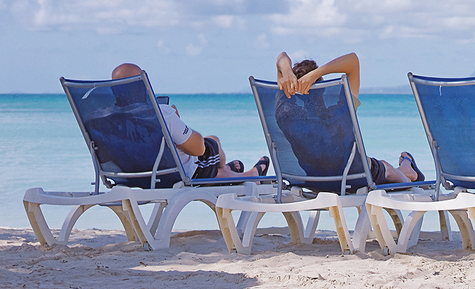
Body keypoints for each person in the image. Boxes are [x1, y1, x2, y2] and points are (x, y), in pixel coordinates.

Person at [275, 52, 424, 184]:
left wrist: (287, 73)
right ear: (324, 86)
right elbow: (353, 61)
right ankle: (407, 169)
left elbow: (281, 58)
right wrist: (316, 74)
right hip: (356, 176)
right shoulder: (341, 111)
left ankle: (406, 168)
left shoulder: (286, 116)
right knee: (388, 170)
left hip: (314, 180)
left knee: (381, 166)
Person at [111, 63, 269, 179]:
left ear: (112, 89)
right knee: (213, 142)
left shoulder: (98, 119)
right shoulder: (162, 114)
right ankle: (250, 176)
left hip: (127, 178)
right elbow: (198, 150)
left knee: (209, 150)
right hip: (171, 176)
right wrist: (176, 121)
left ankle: (227, 170)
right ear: (142, 86)